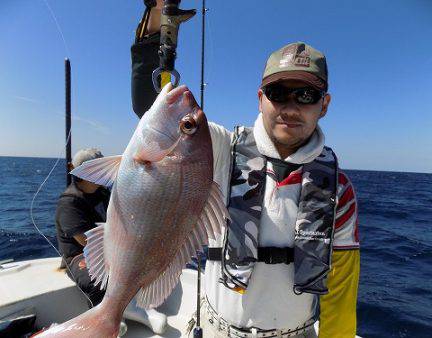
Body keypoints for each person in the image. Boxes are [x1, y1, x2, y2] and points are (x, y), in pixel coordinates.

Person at [131, 2, 360, 337]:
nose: (290, 107)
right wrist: (157, 26)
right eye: (278, 93)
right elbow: (153, 110)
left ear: (324, 105)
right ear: (260, 98)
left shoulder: (339, 190)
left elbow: (340, 294)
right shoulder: (220, 149)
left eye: (306, 94)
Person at [55, 148, 110, 308]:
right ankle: (102, 321)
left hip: (108, 249)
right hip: (79, 255)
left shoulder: (103, 193)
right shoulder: (70, 203)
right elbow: (85, 241)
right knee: (98, 282)